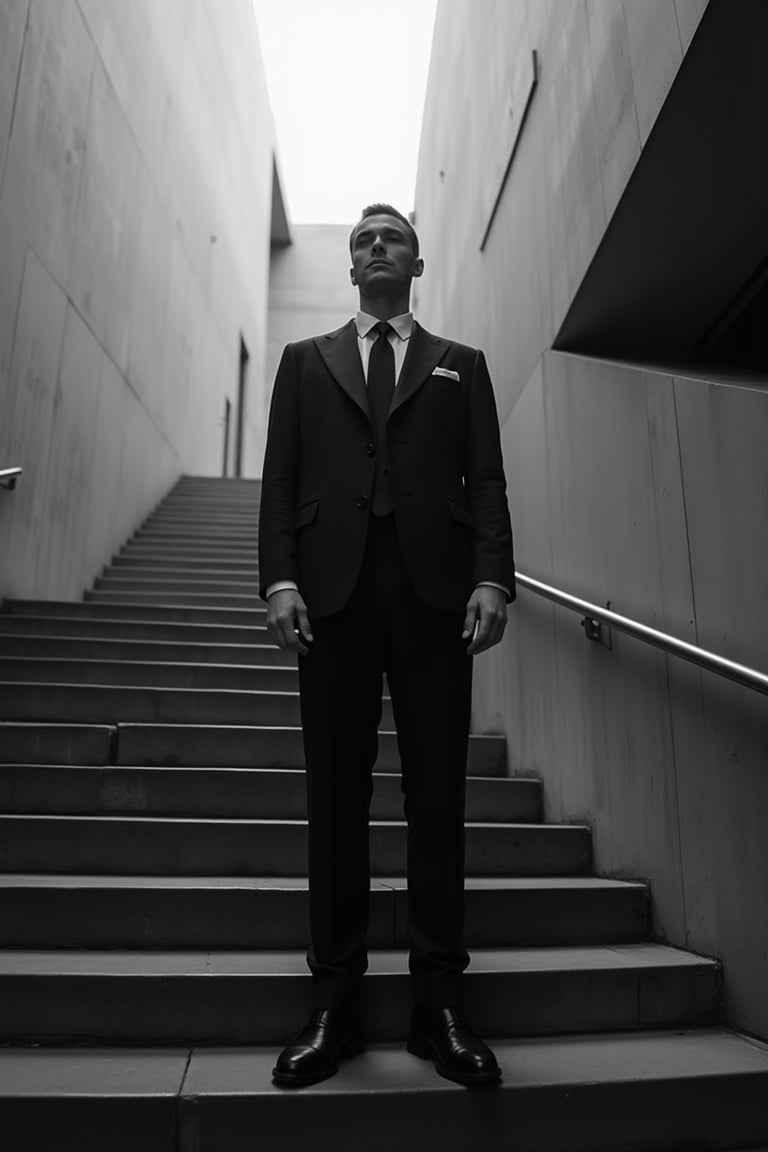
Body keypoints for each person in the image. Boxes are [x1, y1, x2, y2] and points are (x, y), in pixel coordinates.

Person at [258, 204, 515, 1089]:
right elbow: (281, 479)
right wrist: (279, 579)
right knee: (336, 795)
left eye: (391, 237)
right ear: (351, 266)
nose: (375, 247)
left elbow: (484, 478)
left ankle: (437, 1003)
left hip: (436, 598)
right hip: (330, 598)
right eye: (362, 239)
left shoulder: (461, 365)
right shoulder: (303, 363)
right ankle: (334, 1003)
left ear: (416, 260)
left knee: (437, 797)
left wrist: (494, 577)